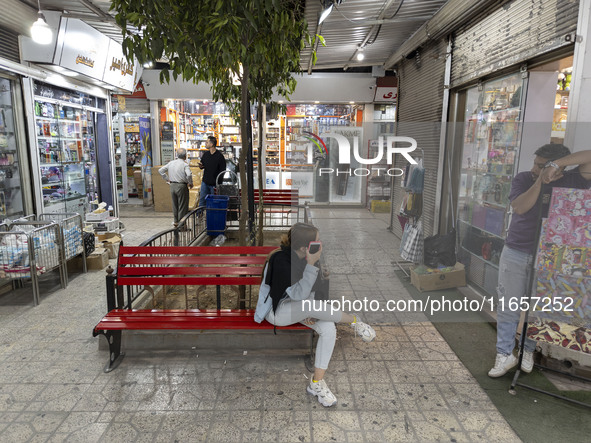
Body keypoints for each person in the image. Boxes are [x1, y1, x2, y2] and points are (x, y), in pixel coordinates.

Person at [488, 144, 591, 378]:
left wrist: (558, 165)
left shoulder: (575, 178)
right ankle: (504, 353)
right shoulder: (524, 178)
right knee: (508, 306)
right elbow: (520, 207)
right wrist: (540, 180)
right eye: (535, 163)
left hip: (552, 259)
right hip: (516, 250)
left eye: (540, 164)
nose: (534, 168)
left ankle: (527, 349)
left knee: (537, 308)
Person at [254, 222, 376, 407]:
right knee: (310, 306)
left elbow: (312, 292)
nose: (321, 244)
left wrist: (312, 311)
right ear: (305, 247)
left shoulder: (308, 258)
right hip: (276, 312)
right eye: (317, 241)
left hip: (300, 308)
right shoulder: (281, 261)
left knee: (328, 329)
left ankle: (316, 383)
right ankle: (353, 321)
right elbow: (298, 295)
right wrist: (311, 265)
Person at [159, 148, 193, 227]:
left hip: (172, 186)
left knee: (175, 205)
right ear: (185, 156)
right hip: (181, 186)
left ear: (177, 155)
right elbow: (189, 174)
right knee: (182, 206)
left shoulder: (171, 163)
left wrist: (167, 179)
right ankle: (181, 225)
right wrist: (190, 183)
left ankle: (175, 221)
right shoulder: (184, 164)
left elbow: (161, 170)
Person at [198, 136, 227, 208]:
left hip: (215, 183)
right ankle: (200, 216)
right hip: (205, 181)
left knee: (214, 202)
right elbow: (203, 164)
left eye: (207, 142)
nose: (205, 143)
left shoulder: (219, 156)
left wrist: (218, 183)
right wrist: (201, 166)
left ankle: (212, 217)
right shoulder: (206, 155)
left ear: (212, 144)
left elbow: (223, 170)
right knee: (202, 201)